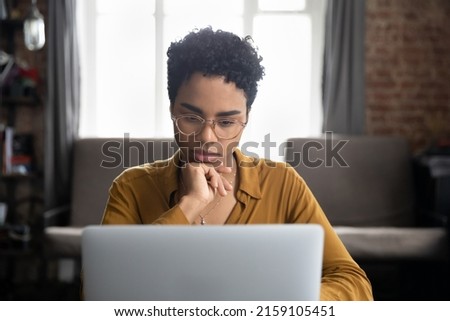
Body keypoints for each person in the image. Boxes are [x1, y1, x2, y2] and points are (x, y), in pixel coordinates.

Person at [101, 27, 373, 301]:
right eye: (191, 118)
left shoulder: (282, 183)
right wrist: (189, 205)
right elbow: (102, 294)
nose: (208, 138)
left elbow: (354, 283)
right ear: (172, 109)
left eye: (227, 122)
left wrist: (291, 305)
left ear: (247, 117)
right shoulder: (130, 188)